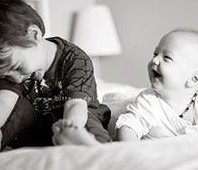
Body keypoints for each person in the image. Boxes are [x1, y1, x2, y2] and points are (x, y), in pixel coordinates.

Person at [0, 0, 111, 158]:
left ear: (33, 35)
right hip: (34, 124)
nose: (16, 79)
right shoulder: (11, 70)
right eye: (5, 75)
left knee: (88, 122)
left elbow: (76, 105)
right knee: (11, 117)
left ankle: (88, 144)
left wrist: (71, 127)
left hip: (74, 114)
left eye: (16, 67)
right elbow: (2, 101)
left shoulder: (75, 59)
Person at [51, 28, 198, 145]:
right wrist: (128, 151)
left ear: (194, 79)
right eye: (155, 53)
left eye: (167, 57)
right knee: (100, 110)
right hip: (117, 112)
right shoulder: (149, 102)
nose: (155, 60)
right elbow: (128, 128)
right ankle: (83, 140)